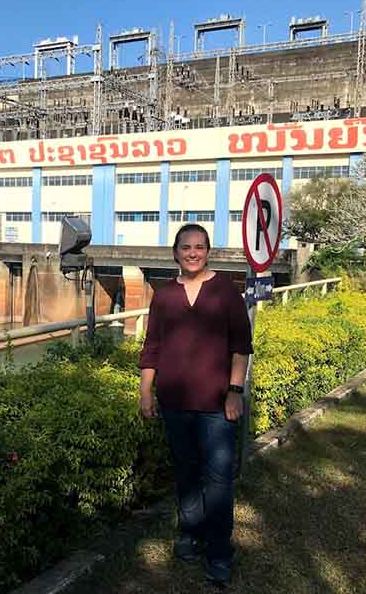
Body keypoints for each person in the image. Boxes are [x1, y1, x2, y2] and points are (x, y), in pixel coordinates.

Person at [138, 223, 252, 585]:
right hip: (174, 402)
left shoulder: (225, 292)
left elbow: (240, 346)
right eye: (186, 247)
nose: (192, 253)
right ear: (176, 252)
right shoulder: (165, 295)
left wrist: (235, 391)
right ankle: (190, 532)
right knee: (186, 474)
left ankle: (219, 552)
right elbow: (151, 348)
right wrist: (146, 393)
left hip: (217, 405)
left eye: (199, 247)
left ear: (208, 251)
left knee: (218, 480)